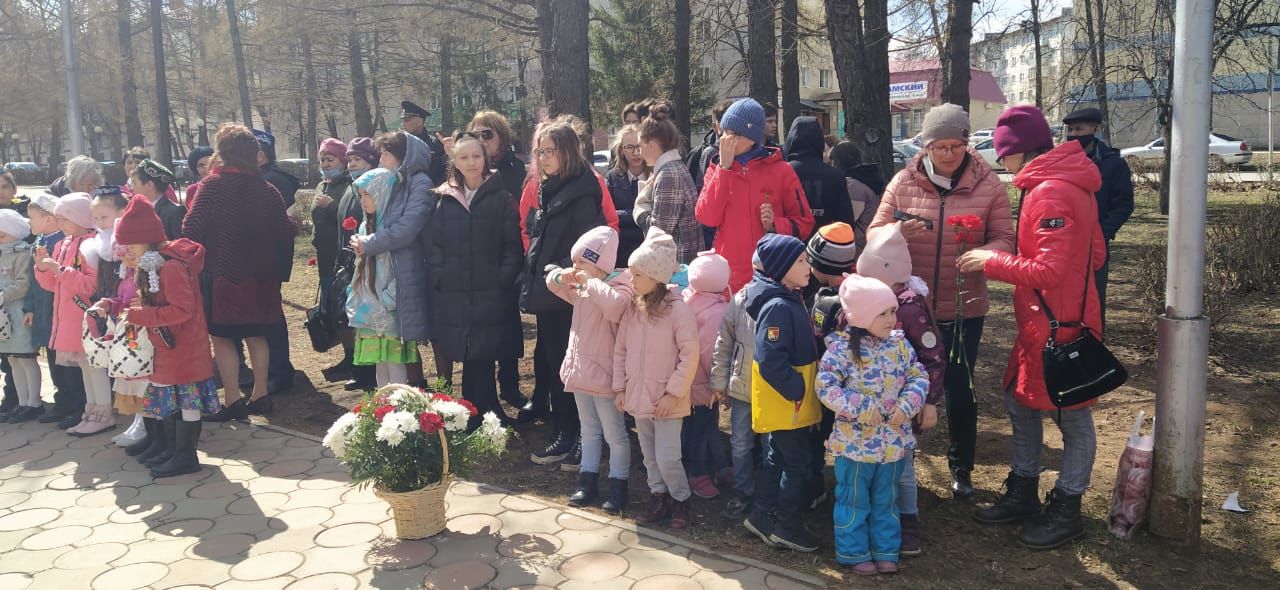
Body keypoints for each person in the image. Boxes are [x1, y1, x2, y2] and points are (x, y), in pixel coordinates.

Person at [960, 105, 1106, 550]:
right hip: (1048, 322)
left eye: (1002, 155)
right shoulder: (1061, 185)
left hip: (1060, 328)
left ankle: (1066, 506)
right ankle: (1024, 489)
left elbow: (1049, 270)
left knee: (1073, 419)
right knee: (1018, 400)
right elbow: (1095, 254)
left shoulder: (1050, 193)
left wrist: (991, 260)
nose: (1000, 163)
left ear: (1017, 153)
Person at [869, 103, 1015, 498]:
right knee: (900, 383)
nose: (949, 154)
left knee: (960, 388)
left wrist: (986, 254)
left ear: (967, 144)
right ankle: (902, 464)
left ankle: (961, 468)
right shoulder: (904, 182)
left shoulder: (989, 186)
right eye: (940, 147)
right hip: (911, 308)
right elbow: (874, 232)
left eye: (956, 145)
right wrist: (897, 229)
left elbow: (1005, 237)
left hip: (964, 307)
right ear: (926, 146)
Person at [817, 274, 929, 576]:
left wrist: (907, 406)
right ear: (863, 315)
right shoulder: (840, 350)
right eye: (883, 313)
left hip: (892, 444)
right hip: (854, 447)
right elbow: (826, 387)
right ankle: (854, 553)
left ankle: (885, 550)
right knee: (854, 501)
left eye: (893, 311)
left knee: (886, 501)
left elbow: (919, 377)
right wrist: (862, 409)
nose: (891, 319)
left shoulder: (900, 345)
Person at [183, 123, 296, 421]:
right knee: (258, 335)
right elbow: (286, 231)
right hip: (262, 278)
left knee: (223, 338)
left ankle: (232, 400)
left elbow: (190, 229)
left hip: (224, 277)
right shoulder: (267, 189)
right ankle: (261, 394)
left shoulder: (211, 186)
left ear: (223, 152)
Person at [112, 196, 220, 478]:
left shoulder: (169, 267)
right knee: (172, 403)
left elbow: (182, 310)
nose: (128, 251)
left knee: (187, 404)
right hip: (167, 346)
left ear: (146, 240)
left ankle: (185, 456)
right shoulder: (153, 264)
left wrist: (141, 316)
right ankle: (174, 451)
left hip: (183, 347)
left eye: (132, 245)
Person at [856, 223, 947, 556]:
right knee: (869, 463)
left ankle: (908, 520)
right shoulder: (865, 298)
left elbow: (932, 358)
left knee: (903, 467)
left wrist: (929, 401)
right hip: (868, 402)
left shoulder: (908, 308)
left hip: (901, 407)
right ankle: (872, 516)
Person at [520, 119, 607, 465]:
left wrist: (559, 272)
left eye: (550, 151)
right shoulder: (550, 188)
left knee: (574, 368)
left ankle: (581, 438)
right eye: (540, 152)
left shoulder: (582, 192)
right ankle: (565, 432)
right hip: (549, 291)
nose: (543, 158)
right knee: (557, 363)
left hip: (568, 294)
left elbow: (587, 247)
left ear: (568, 152)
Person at [425, 133, 524, 424]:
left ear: (486, 159)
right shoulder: (444, 199)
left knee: (484, 351)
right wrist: (440, 274)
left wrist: (503, 279)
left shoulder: (501, 198)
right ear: (454, 161)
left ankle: (487, 412)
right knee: (468, 352)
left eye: (476, 156)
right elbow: (433, 244)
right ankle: (473, 412)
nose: (471, 163)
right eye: (464, 157)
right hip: (455, 290)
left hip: (491, 290)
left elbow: (512, 245)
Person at [741, 233, 822, 553]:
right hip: (788, 402)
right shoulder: (777, 306)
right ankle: (788, 526)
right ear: (780, 267)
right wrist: (798, 389)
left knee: (776, 457)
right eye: (801, 261)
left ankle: (761, 516)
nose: (808, 265)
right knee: (798, 463)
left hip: (788, 402)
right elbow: (771, 359)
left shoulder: (788, 296)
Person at [615, 227, 699, 530]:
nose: (631, 279)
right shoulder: (633, 310)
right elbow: (620, 350)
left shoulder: (678, 311)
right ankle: (658, 497)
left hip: (667, 401)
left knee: (667, 457)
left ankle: (680, 500)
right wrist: (620, 388)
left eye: (637, 275)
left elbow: (689, 354)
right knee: (649, 456)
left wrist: (673, 393)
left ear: (656, 277)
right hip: (639, 397)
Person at [546, 226, 633, 513]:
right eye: (574, 262)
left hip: (606, 375)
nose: (576, 268)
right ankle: (588, 482)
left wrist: (589, 282)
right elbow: (552, 284)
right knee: (589, 430)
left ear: (599, 263)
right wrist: (562, 275)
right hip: (582, 372)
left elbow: (615, 308)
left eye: (582, 262)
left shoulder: (620, 286)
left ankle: (619, 485)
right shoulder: (583, 287)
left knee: (615, 435)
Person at [695, 98, 814, 293]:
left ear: (751, 137)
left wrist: (776, 224)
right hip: (728, 278)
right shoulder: (717, 167)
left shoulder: (781, 171)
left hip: (771, 276)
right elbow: (706, 217)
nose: (724, 139)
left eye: (732, 134)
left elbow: (804, 223)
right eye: (723, 132)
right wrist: (724, 169)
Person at [348, 131, 434, 382]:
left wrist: (369, 243)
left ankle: (405, 404)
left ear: (402, 155)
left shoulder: (419, 183)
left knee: (397, 350)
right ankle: (387, 407)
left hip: (400, 272)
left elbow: (406, 229)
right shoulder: (393, 181)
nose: (381, 158)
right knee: (384, 356)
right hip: (382, 273)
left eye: (385, 153)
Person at [33, 194, 112, 436]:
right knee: (84, 366)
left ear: (79, 218)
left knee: (94, 366)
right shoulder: (62, 245)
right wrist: (42, 267)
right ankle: (90, 411)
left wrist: (59, 269)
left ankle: (104, 413)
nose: (60, 224)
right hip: (66, 317)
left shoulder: (91, 245)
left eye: (63, 219)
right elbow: (51, 285)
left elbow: (89, 286)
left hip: (84, 317)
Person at [802, 222, 861, 509]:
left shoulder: (825, 302)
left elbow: (817, 342)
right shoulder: (860, 291)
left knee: (818, 436)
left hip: (827, 383)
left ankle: (814, 489)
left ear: (819, 265)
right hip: (854, 384)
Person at [1062, 107, 1134, 327]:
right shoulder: (1063, 161)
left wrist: (1101, 232)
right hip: (1064, 243)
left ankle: (1093, 346)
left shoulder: (1113, 164)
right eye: (1071, 130)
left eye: (1079, 129)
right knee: (1064, 302)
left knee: (1093, 301)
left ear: (1095, 129)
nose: (1074, 134)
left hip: (1095, 247)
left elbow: (1124, 204)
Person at [347, 168, 418, 387]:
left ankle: (398, 409)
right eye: (361, 195)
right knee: (379, 361)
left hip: (389, 307)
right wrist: (358, 295)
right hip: (369, 307)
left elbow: (404, 268)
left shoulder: (393, 231)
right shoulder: (364, 226)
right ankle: (384, 406)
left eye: (369, 194)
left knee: (394, 360)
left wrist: (389, 298)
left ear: (384, 192)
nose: (364, 200)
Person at [25, 193, 86, 429]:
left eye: (33, 218)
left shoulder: (62, 242)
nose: (29, 223)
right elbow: (34, 279)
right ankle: (63, 401)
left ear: (49, 218)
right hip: (44, 311)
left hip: (60, 310)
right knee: (53, 358)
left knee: (69, 362)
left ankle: (76, 403)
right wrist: (29, 306)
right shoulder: (39, 242)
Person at [328, 138, 380, 391]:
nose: (351, 165)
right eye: (349, 160)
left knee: (368, 321)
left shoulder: (375, 186)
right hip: (350, 260)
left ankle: (369, 372)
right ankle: (358, 366)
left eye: (356, 160)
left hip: (367, 259)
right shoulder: (351, 186)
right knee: (354, 319)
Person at [681, 249, 732, 499]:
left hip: (686, 379)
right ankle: (698, 474)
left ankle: (720, 466)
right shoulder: (716, 312)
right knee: (702, 428)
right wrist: (718, 384)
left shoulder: (687, 298)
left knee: (700, 425)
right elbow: (712, 352)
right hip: (704, 383)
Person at [252, 129, 300, 395]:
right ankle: (272, 368)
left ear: (260, 154)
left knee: (270, 317)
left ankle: (280, 370)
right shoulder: (263, 178)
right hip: (263, 261)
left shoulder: (272, 181)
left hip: (269, 260)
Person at [634, 106, 701, 264]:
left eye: (640, 146)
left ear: (651, 145)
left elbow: (658, 233)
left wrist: (641, 206)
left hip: (676, 268)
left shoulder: (668, 175)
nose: (639, 153)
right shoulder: (675, 167)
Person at [309, 138, 353, 371]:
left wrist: (332, 206)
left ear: (343, 161)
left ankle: (354, 358)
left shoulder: (349, 185)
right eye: (322, 160)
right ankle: (347, 356)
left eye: (330, 159)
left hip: (342, 258)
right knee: (332, 310)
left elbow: (350, 218)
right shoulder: (322, 184)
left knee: (345, 310)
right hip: (325, 258)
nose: (325, 164)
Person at [0, 211, 40, 423]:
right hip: (3, 316)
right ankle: (21, 402)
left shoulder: (22, 253)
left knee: (26, 357)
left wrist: (2, 295)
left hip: (18, 312)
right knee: (12, 359)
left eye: (2, 235)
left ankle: (33, 402)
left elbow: (24, 283)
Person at [784, 116, 854, 231]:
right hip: (825, 243)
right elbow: (846, 222)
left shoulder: (782, 172)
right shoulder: (835, 176)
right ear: (819, 141)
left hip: (788, 243)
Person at [827, 141, 886, 249]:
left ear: (838, 162)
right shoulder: (864, 179)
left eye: (832, 161)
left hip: (856, 244)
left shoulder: (853, 186)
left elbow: (847, 219)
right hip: (864, 240)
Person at [604, 125, 647, 264]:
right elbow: (606, 214)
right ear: (622, 150)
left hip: (648, 248)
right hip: (620, 250)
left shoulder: (655, 174)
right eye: (630, 147)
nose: (636, 152)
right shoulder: (612, 177)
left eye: (639, 146)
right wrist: (637, 214)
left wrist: (622, 215)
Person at [130, 159, 186, 239]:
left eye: (135, 183)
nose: (132, 188)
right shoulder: (137, 210)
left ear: (149, 185)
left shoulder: (174, 212)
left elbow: (181, 246)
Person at [400, 100, 447, 184]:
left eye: (407, 120)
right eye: (402, 120)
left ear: (420, 121)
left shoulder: (435, 144)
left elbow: (442, 174)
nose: (403, 124)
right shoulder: (400, 144)